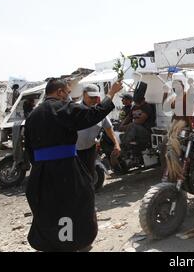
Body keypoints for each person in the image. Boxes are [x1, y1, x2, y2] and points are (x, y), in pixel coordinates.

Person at [24, 78, 122, 252]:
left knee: (49, 208)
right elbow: (93, 114)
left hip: (40, 172)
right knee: (78, 203)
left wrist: (41, 168)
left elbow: (29, 149)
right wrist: (111, 93)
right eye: (68, 93)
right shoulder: (63, 108)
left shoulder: (32, 115)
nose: (68, 97)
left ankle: (52, 242)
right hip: (66, 170)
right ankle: (74, 241)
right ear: (60, 92)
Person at [76, 84, 121, 180]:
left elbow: (109, 129)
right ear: (84, 94)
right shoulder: (75, 109)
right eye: (91, 97)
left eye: (95, 97)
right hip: (75, 151)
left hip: (90, 150)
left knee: (89, 176)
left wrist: (116, 144)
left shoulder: (99, 112)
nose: (93, 100)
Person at [119, 82, 155, 151]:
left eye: (138, 102)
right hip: (134, 129)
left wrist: (124, 127)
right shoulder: (134, 107)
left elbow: (139, 121)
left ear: (143, 100)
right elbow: (128, 117)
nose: (136, 104)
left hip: (145, 132)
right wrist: (121, 125)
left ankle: (123, 146)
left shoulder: (147, 107)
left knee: (133, 126)